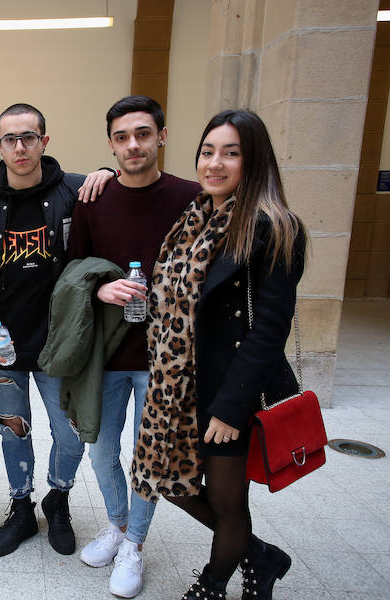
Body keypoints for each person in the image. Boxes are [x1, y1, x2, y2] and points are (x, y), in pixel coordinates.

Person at [131, 109, 305, 600]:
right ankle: (262, 557)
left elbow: (269, 331)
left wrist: (232, 408)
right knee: (172, 483)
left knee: (229, 504)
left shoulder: (272, 227)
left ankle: (210, 587)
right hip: (178, 389)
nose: (215, 163)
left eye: (231, 153)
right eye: (208, 152)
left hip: (229, 390)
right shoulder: (194, 218)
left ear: (254, 162)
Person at [65, 95, 201, 598]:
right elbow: (74, 267)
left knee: (150, 458)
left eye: (143, 134)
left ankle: (135, 545)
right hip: (105, 353)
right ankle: (118, 526)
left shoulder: (191, 197)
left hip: (164, 359)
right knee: (100, 450)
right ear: (111, 145)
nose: (133, 145)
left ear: (162, 136)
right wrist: (101, 287)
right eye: (121, 137)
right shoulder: (93, 199)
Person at [0, 103, 114, 557]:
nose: (20, 147)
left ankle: (59, 496)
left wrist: (107, 171)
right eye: (10, 139)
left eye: (29, 137)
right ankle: (21, 508)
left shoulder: (75, 191)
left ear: (44, 141)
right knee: (15, 430)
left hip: (61, 346)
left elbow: (121, 202)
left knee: (71, 435)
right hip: (4, 347)